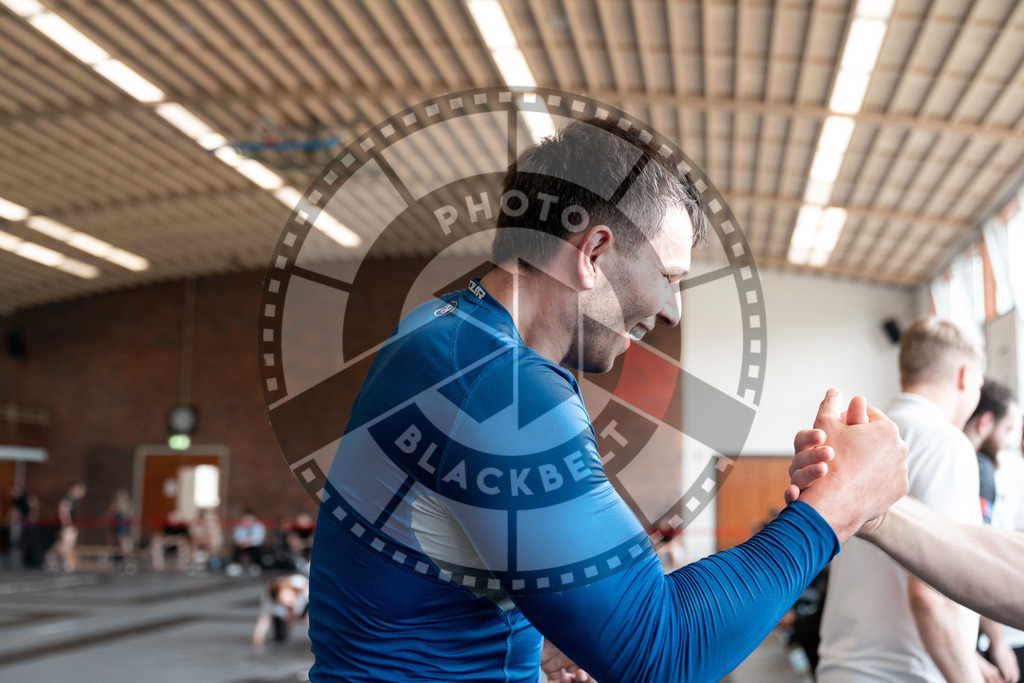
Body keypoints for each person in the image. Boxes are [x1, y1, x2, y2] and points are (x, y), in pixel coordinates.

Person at [307, 116, 910, 682]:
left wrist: (539, 636)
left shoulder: (449, 333)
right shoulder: (495, 384)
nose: (673, 313)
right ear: (592, 254)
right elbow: (663, 651)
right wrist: (837, 506)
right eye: (669, 278)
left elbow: (424, 576)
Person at [816, 318, 987, 683]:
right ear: (966, 376)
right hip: (904, 673)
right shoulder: (944, 443)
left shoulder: (863, 438)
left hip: (843, 664)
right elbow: (929, 597)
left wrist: (970, 659)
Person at [253, 574, 310, 649]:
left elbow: (317, 602)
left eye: (287, 595)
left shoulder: (301, 585)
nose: (287, 601)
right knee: (281, 637)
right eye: (282, 600)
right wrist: (258, 635)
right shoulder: (270, 600)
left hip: (306, 606)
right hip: (285, 613)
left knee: (311, 619)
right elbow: (265, 616)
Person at [45, 482, 85, 572]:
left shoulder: (74, 500)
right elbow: (62, 511)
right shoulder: (68, 498)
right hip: (66, 524)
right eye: (81, 491)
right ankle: (64, 562)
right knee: (67, 543)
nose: (82, 494)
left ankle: (51, 557)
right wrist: (66, 525)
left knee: (64, 543)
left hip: (69, 524)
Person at [231, 509, 266, 574]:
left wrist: (248, 543)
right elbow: (237, 539)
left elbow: (258, 540)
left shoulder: (259, 526)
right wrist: (245, 542)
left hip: (254, 546)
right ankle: (235, 565)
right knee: (236, 548)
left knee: (258, 549)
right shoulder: (239, 526)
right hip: (242, 546)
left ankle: (256, 566)